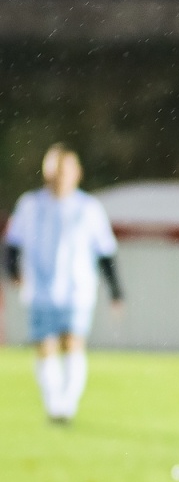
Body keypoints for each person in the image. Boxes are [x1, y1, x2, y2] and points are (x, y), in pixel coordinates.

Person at [4, 144, 122, 423]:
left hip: (77, 290)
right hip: (39, 290)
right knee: (45, 346)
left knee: (72, 342)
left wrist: (116, 291)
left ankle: (67, 405)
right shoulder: (30, 205)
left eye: (65, 169)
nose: (59, 175)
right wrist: (13, 273)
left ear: (76, 172)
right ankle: (54, 404)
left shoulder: (89, 208)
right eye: (54, 169)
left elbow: (106, 251)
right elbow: (11, 245)